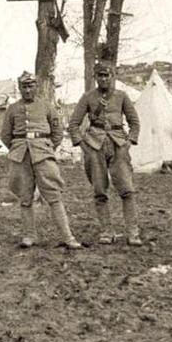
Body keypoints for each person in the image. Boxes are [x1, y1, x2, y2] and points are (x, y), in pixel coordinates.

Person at [0, 71, 82, 250]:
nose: (28, 90)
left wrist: (46, 148)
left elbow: (57, 132)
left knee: (54, 194)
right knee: (25, 197)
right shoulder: (12, 109)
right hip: (21, 154)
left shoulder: (46, 106)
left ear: (36, 87)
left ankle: (68, 237)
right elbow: (5, 135)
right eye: (24, 87)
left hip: (43, 153)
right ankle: (29, 235)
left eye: (31, 86)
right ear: (19, 88)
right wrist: (17, 149)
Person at [67, 62, 143, 246]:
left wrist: (128, 142)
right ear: (96, 77)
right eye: (100, 75)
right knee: (100, 191)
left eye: (107, 75)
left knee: (127, 189)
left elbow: (135, 122)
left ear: (113, 76)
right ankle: (106, 231)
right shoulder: (87, 97)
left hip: (118, 145)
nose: (103, 79)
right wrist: (83, 146)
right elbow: (73, 124)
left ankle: (133, 232)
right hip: (95, 146)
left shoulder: (122, 96)